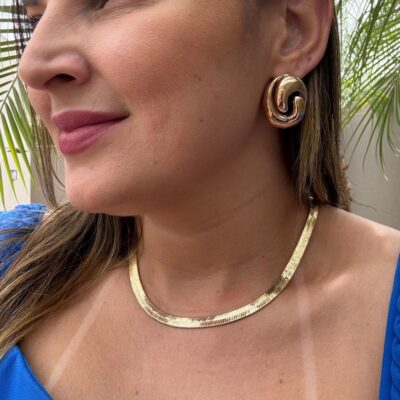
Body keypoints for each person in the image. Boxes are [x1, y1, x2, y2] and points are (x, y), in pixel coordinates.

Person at [0, 0, 399, 398]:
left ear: (295, 29)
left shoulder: (385, 316)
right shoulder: (11, 268)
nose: (32, 65)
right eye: (35, 20)